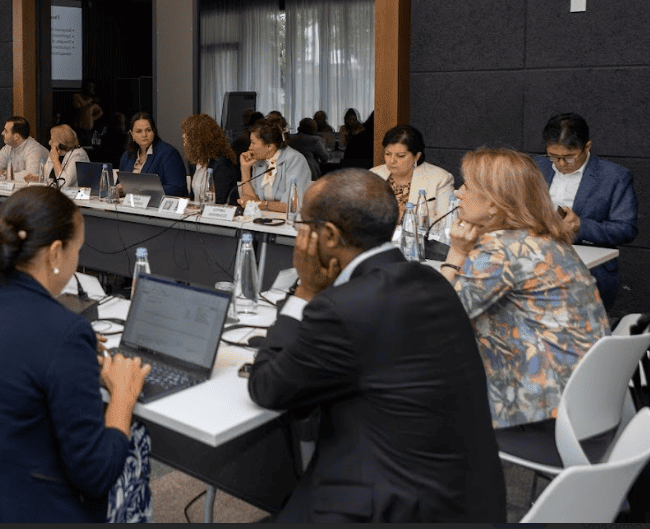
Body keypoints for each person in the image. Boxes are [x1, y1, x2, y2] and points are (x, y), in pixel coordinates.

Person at [247, 168, 506, 522]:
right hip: (468, 502)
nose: (299, 234)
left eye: (303, 225)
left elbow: (267, 387)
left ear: (329, 235)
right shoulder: (431, 281)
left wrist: (305, 290)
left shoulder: (342, 307)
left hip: (390, 508)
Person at [0, 186, 150, 522]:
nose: (77, 259)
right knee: (134, 442)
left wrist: (64, 344)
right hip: (12, 511)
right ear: (55, 253)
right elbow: (95, 475)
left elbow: (11, 343)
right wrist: (123, 394)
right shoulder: (64, 332)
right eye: (77, 249)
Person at [440, 148, 607, 429]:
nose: (458, 193)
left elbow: (436, 317)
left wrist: (456, 253)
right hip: (587, 400)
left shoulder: (499, 249)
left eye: (466, 185)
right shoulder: (547, 239)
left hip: (540, 408)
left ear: (494, 205)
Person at [534, 112, 638, 310]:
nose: (561, 164)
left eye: (569, 157)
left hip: (588, 270)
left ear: (587, 147)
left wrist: (581, 225)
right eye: (554, 156)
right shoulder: (536, 166)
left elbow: (626, 229)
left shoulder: (614, 176)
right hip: (535, 262)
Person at [369, 124, 454, 221]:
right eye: (387, 154)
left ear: (416, 156)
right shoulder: (373, 175)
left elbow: (447, 222)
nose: (392, 161)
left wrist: (407, 219)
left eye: (400, 156)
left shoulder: (440, 179)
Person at [237, 117, 311, 212]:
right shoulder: (259, 162)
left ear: (269, 146)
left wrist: (262, 204)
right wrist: (245, 169)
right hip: (266, 218)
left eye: (253, 143)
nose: (249, 147)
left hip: (290, 220)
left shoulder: (295, 160)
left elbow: (292, 205)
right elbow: (249, 201)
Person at [118, 112, 188, 197]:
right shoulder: (127, 156)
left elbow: (177, 188)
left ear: (154, 131)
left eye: (148, 130)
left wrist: (142, 190)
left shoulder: (168, 153)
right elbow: (120, 185)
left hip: (159, 204)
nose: (144, 135)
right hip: (130, 204)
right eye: (139, 131)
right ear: (132, 134)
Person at [181, 113, 238, 204]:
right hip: (198, 211)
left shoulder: (222, 163)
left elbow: (220, 200)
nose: (184, 138)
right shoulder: (194, 163)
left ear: (200, 140)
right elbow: (193, 196)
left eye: (188, 136)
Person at [0, 116, 49, 180]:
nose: (2, 133)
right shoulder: (8, 147)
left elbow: (31, 175)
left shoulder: (34, 149)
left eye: (6, 131)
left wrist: (5, 174)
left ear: (16, 136)